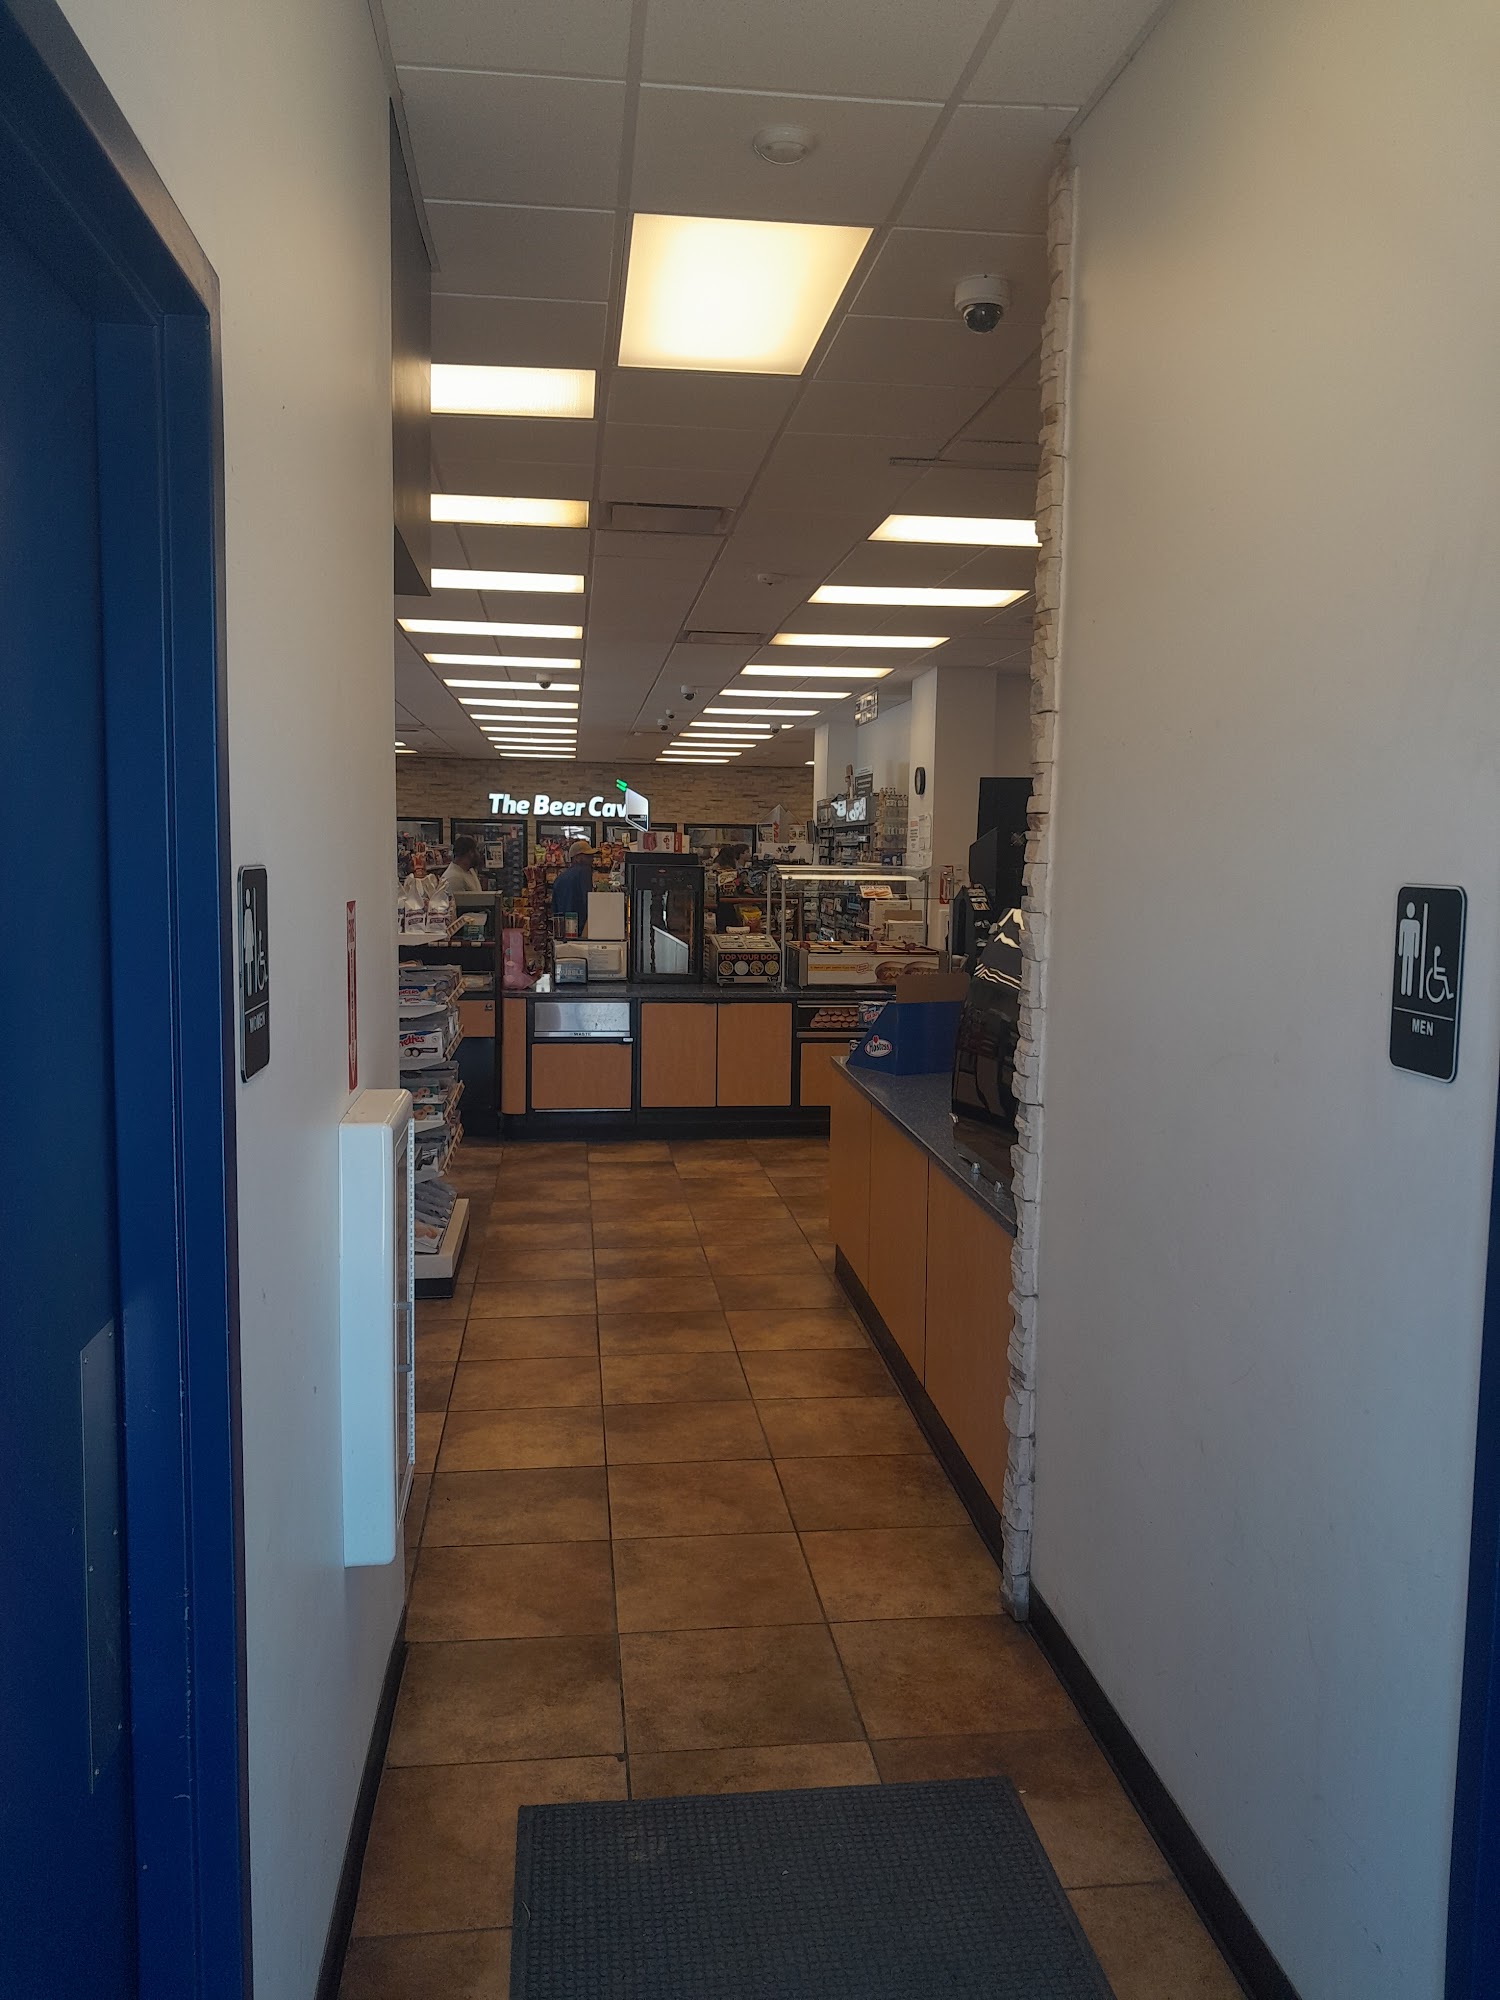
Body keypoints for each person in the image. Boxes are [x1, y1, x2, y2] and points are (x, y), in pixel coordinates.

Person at [551, 841, 594, 937]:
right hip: (581, 928)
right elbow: (587, 899)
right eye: (588, 856)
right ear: (577, 858)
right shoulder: (584, 871)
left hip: (563, 929)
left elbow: (554, 907)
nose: (592, 859)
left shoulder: (560, 878)